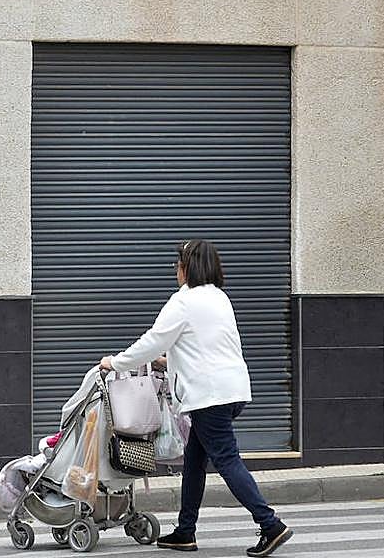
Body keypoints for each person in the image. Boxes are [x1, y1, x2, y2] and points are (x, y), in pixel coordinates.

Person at [100, 239, 292, 558]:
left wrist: (115, 362)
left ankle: (270, 524)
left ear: (186, 268)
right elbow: (203, 347)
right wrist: (169, 363)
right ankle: (185, 532)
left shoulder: (184, 301)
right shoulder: (219, 298)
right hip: (231, 391)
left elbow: (152, 341)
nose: (175, 271)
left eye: (177, 265)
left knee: (227, 459)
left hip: (209, 396)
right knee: (194, 460)